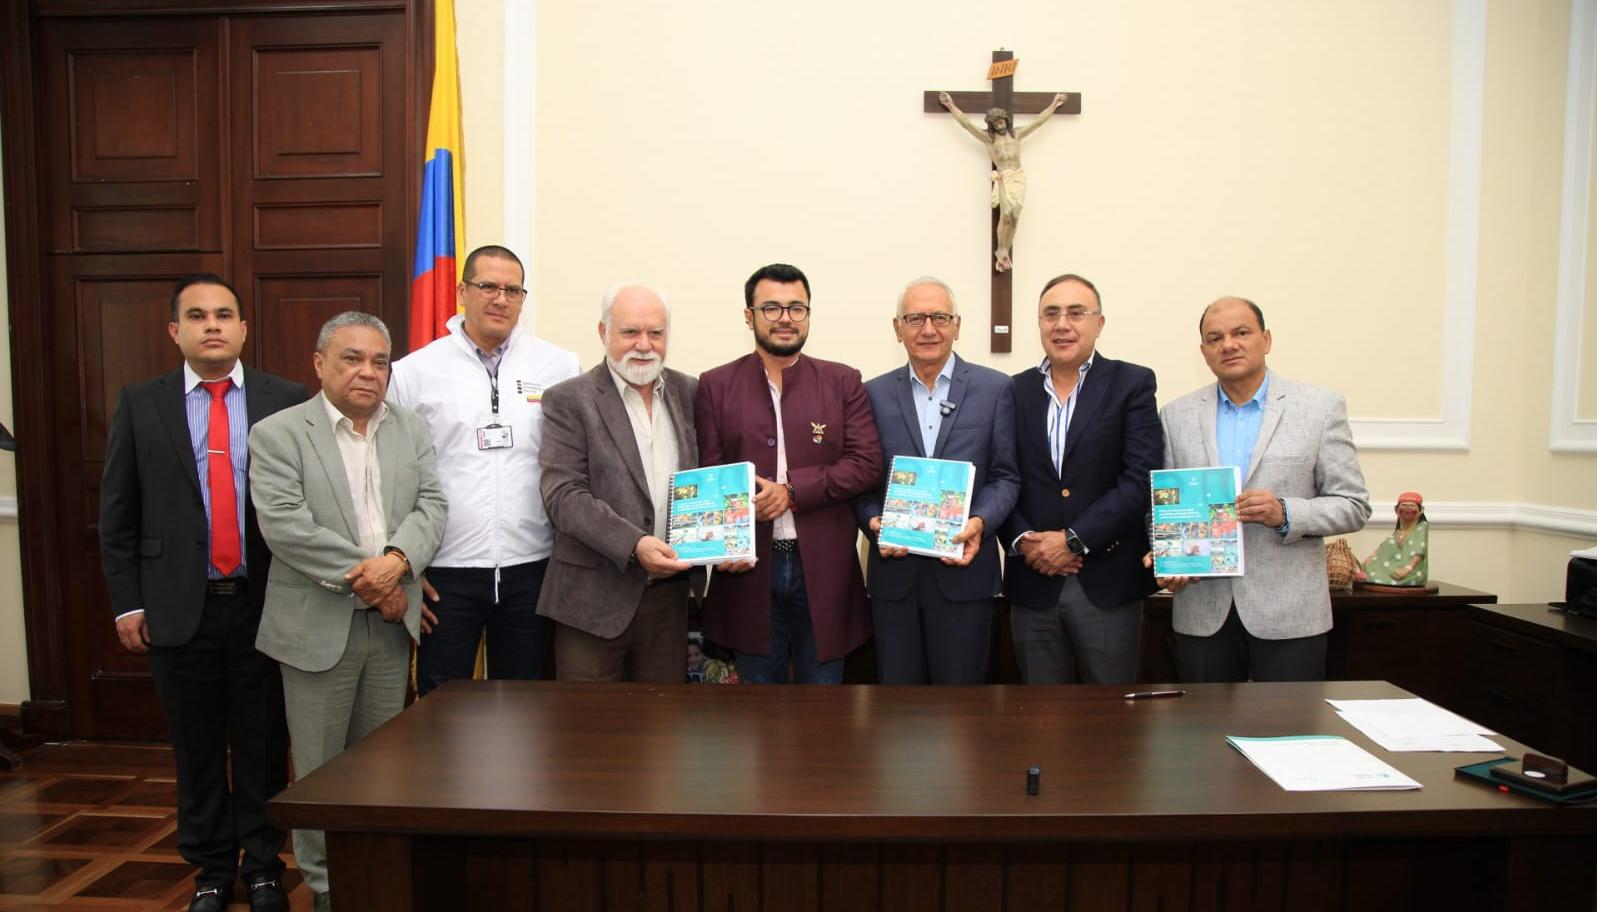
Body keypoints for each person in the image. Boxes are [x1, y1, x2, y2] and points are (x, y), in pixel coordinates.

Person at [99, 274, 306, 912]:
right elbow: (118, 514)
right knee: (195, 750)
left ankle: (266, 866)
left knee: (264, 742)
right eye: (197, 316)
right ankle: (212, 870)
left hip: (265, 601)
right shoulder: (141, 403)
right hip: (176, 608)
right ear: (176, 331)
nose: (212, 325)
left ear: (244, 329)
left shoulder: (286, 399)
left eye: (224, 315)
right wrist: (128, 602)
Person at [248, 312, 446, 912]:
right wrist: (379, 580)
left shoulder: (409, 428)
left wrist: (396, 562)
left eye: (379, 361)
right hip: (316, 630)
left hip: (388, 631)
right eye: (351, 358)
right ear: (319, 364)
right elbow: (287, 528)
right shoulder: (278, 433)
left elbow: (433, 505)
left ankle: (374, 882)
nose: (367, 371)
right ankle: (328, 891)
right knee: (319, 774)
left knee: (380, 765)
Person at [388, 245, 579, 695]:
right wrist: (411, 567)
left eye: (513, 289)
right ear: (462, 291)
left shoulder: (558, 366)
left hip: (532, 567)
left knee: (525, 700)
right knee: (443, 703)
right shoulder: (415, 372)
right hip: (446, 571)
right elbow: (395, 475)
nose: (500, 298)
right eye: (488, 286)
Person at [1156, 296, 1371, 682]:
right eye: (1215, 337)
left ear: (1266, 339)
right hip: (1204, 612)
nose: (1229, 344)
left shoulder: (1319, 409)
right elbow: (1164, 504)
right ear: (1204, 351)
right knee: (1202, 737)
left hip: (1290, 614)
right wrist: (1167, 557)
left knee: (1290, 737)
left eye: (1241, 333)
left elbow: (1353, 504)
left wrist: (1286, 513)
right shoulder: (1176, 415)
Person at [694, 263, 883, 683]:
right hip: (748, 572)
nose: (785, 318)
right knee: (758, 714)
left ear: (809, 314)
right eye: (772, 308)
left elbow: (866, 463)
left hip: (824, 569)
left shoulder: (842, 381)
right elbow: (709, 471)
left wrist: (791, 491)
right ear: (749, 316)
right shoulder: (715, 384)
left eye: (797, 308)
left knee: (823, 709)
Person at [1000, 274, 1162, 684]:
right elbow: (1003, 476)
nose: (1062, 324)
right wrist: (1025, 543)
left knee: (1110, 726)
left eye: (1076, 313)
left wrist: (1072, 539)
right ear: (1039, 324)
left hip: (1106, 582)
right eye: (1051, 314)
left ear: (1099, 323)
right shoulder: (1014, 391)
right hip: (1033, 582)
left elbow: (1139, 479)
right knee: (1040, 723)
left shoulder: (1133, 383)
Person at [856, 277, 1018, 684]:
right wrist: (873, 521)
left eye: (940, 317)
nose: (928, 329)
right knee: (898, 709)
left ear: (957, 325)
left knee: (962, 713)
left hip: (965, 574)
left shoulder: (995, 389)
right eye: (915, 318)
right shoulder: (869, 394)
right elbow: (859, 479)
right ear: (897, 328)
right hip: (895, 580)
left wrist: (979, 522)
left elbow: (1005, 477)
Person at [537, 284, 698, 682]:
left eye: (655, 333)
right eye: (630, 332)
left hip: (668, 600)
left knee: (663, 730)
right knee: (591, 731)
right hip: (592, 598)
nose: (643, 345)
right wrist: (634, 544)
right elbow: (564, 495)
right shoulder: (569, 399)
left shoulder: (691, 392)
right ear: (602, 332)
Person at [937, 90, 1067, 272]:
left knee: (1015, 216)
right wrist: (950, 105)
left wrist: (1054, 104)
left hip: (1018, 176)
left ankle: (1006, 248)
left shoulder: (1017, 134)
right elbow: (966, 124)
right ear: (992, 125)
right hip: (1004, 176)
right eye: (996, 122)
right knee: (1006, 214)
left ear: (1006, 120)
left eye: (1002, 120)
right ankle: (1000, 249)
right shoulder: (988, 139)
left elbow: (1038, 122)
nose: (1000, 124)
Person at [1362, 492, 1428, 586]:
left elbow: (1420, 551)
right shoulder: (1398, 532)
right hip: (1392, 565)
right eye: (1404, 505)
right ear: (1396, 510)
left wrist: (1407, 568)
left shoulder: (1421, 528)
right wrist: (1370, 558)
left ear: (1421, 510)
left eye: (1412, 506)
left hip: (1408, 570)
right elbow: (1383, 548)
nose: (1407, 508)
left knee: (1375, 575)